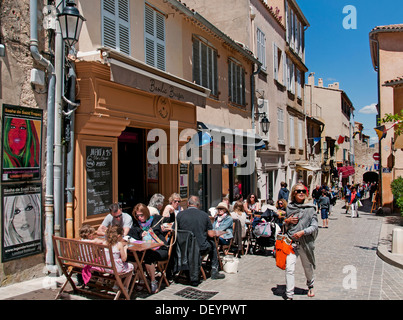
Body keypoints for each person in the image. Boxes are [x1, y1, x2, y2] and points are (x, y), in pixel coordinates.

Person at [176, 195, 225, 285]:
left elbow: (175, 231)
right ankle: (214, 270)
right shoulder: (204, 215)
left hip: (183, 248)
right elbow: (210, 234)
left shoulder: (180, 215)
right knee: (213, 243)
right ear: (198, 205)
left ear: (187, 204)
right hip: (200, 248)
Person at [128, 203, 174, 293]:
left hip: (161, 249)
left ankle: (153, 281)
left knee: (148, 256)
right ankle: (142, 279)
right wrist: (141, 233)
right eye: (137, 216)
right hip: (145, 249)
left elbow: (171, 220)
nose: (140, 218)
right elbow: (132, 233)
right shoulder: (137, 224)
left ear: (146, 213)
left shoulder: (156, 219)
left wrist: (171, 213)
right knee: (133, 257)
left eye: (141, 215)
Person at [283, 183, 318, 300]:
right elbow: (284, 225)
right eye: (298, 191)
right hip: (291, 242)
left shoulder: (311, 208)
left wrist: (303, 232)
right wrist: (287, 220)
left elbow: (314, 226)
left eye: (303, 191)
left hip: (305, 243)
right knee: (289, 268)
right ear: (294, 193)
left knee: (307, 267)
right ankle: (289, 295)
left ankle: (310, 285)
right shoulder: (289, 207)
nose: (301, 193)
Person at [103, 225, 134, 290]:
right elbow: (124, 259)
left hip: (106, 268)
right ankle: (125, 287)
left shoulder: (104, 242)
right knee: (131, 266)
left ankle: (116, 285)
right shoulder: (119, 244)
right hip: (116, 269)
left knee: (120, 266)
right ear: (119, 236)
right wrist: (125, 248)